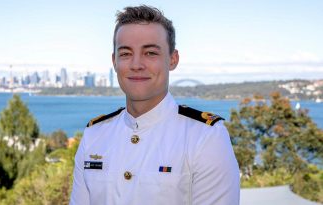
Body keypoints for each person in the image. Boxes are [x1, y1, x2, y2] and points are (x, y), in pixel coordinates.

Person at [69, 5, 240, 205]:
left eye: (150, 53)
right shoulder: (95, 135)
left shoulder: (205, 137)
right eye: (125, 53)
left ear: (173, 59)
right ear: (114, 61)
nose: (136, 64)